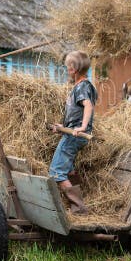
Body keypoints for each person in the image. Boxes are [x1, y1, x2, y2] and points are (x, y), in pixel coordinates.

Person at [49, 50, 97, 214]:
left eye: (67, 67)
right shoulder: (82, 85)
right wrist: (62, 127)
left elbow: (88, 105)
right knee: (68, 170)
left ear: (73, 69)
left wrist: (82, 127)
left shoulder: (82, 86)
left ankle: (79, 208)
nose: (66, 70)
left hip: (76, 135)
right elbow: (76, 112)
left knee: (56, 172)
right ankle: (78, 204)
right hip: (71, 132)